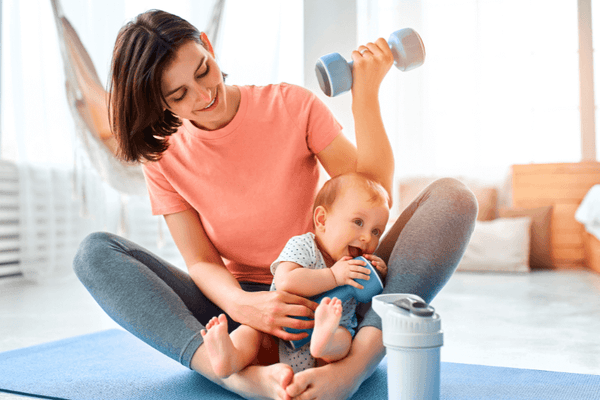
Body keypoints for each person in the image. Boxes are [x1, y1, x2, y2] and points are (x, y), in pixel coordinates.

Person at [73, 9, 478, 400]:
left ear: (208, 46)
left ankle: (351, 371)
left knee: (453, 199)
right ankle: (240, 380)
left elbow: (369, 197)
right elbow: (201, 262)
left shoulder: (291, 105)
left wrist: (365, 95)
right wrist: (246, 305)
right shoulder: (163, 156)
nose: (204, 94)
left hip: (333, 289)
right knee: (95, 254)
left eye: (203, 71)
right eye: (179, 94)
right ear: (159, 102)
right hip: (241, 313)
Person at [201, 173, 389, 377]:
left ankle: (324, 341)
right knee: (250, 333)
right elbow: (285, 281)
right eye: (358, 222)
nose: (366, 237)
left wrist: (378, 275)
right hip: (278, 334)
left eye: (376, 231)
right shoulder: (304, 246)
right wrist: (333, 276)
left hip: (322, 353)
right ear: (322, 219)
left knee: (344, 340)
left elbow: (368, 302)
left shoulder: (355, 265)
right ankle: (229, 357)